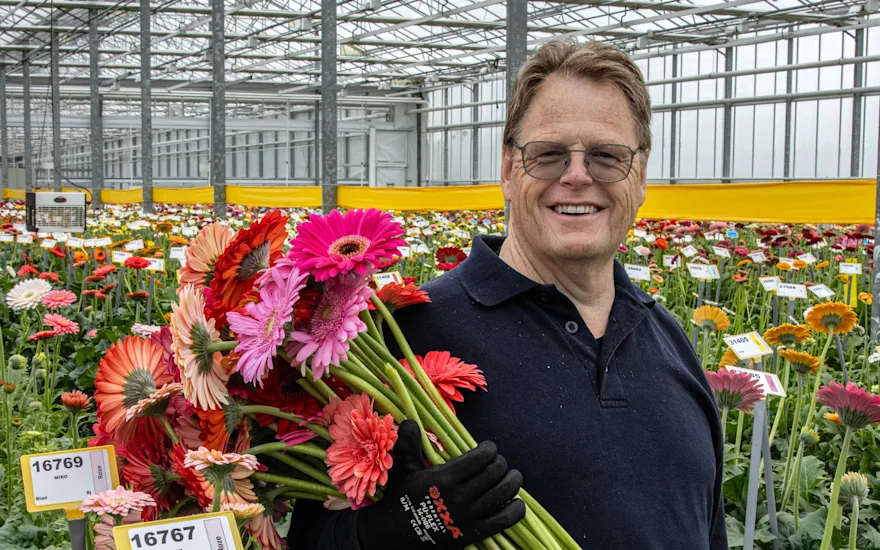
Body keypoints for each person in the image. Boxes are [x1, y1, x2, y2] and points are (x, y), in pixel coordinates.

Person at [289, 38, 727, 549]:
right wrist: (398, 531)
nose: (578, 176)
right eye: (550, 155)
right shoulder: (399, 336)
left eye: (608, 156)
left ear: (641, 173)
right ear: (507, 168)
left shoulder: (669, 339)